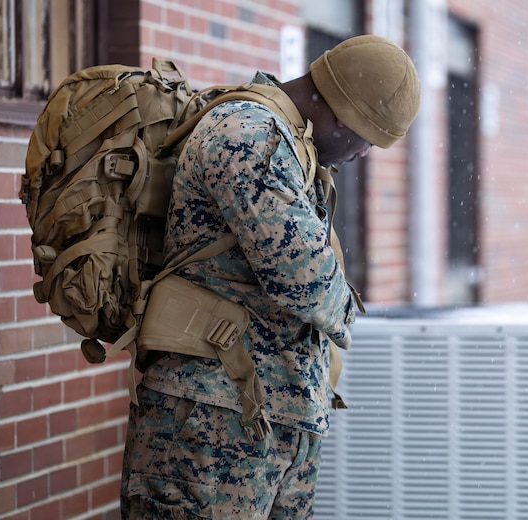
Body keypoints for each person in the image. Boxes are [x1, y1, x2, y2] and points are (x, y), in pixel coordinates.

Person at [120, 35, 421, 519]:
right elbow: (305, 279)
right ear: (340, 112)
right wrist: (345, 311)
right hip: (210, 426)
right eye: (366, 138)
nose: (364, 153)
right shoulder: (248, 134)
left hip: (264, 419)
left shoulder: (291, 146)